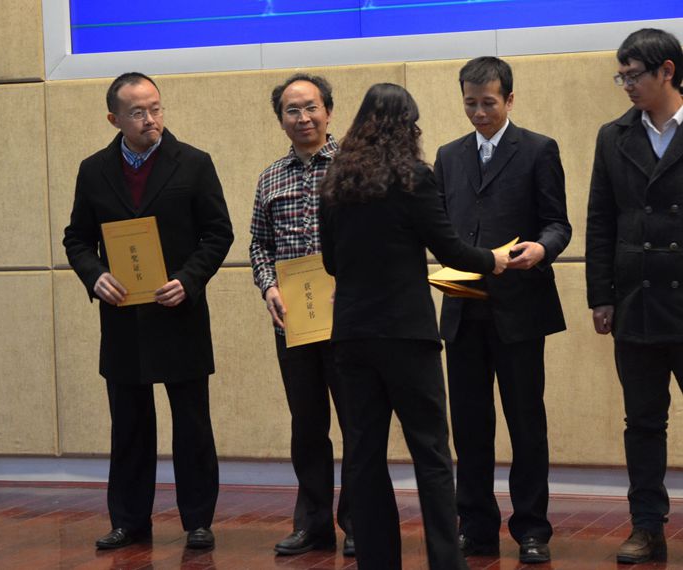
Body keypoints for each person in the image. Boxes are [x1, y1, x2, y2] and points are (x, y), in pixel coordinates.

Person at [319, 82, 508, 570]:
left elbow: (332, 262)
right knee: (431, 452)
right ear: (407, 127)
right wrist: (495, 259)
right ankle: (445, 560)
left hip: (352, 335)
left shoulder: (336, 180)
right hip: (407, 335)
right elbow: (452, 251)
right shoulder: (414, 178)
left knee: (363, 454)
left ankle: (378, 560)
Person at [63, 72, 233, 550]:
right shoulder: (93, 170)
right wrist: (95, 275)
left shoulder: (194, 163)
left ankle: (198, 521)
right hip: (123, 317)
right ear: (114, 118)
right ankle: (129, 521)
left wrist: (190, 279)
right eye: (137, 112)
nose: (150, 119)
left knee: (192, 424)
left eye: (155, 108)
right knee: (130, 426)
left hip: (178, 312)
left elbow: (218, 233)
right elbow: (77, 239)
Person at [434, 56, 571, 563]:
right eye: (470, 103)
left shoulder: (538, 149)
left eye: (488, 103)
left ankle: (532, 528)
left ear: (509, 99)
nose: (479, 113)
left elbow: (558, 223)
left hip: (520, 309)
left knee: (526, 423)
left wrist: (543, 248)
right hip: (462, 308)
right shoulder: (449, 156)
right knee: (470, 427)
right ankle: (475, 527)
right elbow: (439, 227)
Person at [586, 28, 683, 565]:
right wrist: (600, 296)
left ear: (667, 71)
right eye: (620, 75)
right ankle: (647, 527)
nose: (625, 84)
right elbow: (600, 219)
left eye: (634, 74)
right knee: (643, 423)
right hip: (636, 302)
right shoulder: (614, 135)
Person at [249, 73, 354, 556]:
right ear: (281, 120)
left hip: (348, 318)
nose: (303, 117)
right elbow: (259, 244)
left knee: (357, 423)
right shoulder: (270, 177)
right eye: (292, 110)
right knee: (307, 425)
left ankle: (359, 523)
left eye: (311, 107)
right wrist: (268, 286)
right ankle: (313, 525)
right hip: (292, 318)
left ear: (328, 111)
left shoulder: (355, 169)